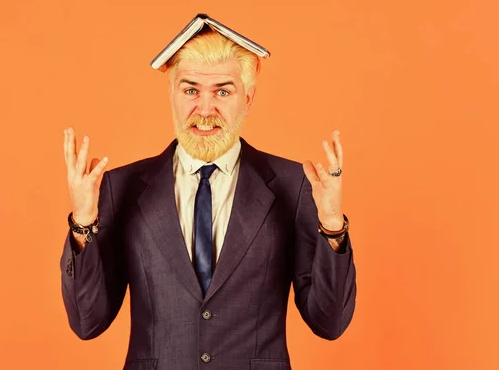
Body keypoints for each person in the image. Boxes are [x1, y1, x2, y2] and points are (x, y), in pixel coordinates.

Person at [60, 20, 357, 370]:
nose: (204, 109)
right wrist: (82, 223)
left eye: (222, 92)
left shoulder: (295, 186)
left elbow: (330, 323)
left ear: (248, 98)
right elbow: (87, 322)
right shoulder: (118, 187)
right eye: (190, 91)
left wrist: (332, 226)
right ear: (171, 94)